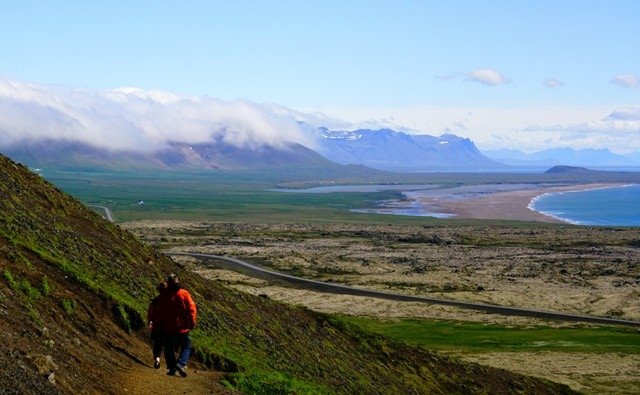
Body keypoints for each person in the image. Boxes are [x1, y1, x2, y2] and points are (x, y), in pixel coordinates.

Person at [161, 273, 197, 377]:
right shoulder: (184, 293)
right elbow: (192, 309)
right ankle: (180, 363)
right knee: (186, 345)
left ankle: (172, 368)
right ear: (178, 282)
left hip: (168, 327)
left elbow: (160, 310)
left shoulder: (165, 294)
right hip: (182, 327)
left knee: (168, 347)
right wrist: (192, 322)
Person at [147, 282, 167, 369]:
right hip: (168, 326)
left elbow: (150, 314)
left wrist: (150, 322)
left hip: (157, 326)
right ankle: (172, 364)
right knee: (168, 345)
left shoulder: (155, 301)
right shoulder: (171, 301)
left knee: (157, 344)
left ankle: (157, 359)